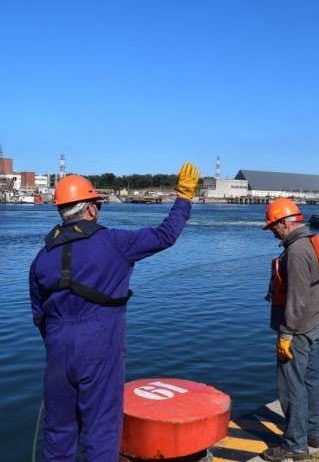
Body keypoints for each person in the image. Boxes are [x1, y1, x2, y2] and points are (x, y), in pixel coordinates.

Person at [29, 163, 200, 462]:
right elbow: (165, 235)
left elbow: (38, 315)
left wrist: (61, 341)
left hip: (57, 350)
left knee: (58, 433)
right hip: (98, 346)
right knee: (102, 429)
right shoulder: (114, 243)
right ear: (91, 210)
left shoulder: (40, 258)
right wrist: (183, 197)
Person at [261, 198, 319, 462]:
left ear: (284, 223)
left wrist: (286, 334)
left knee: (292, 387)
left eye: (274, 226)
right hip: (315, 323)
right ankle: (314, 434)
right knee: (311, 381)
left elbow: (297, 297)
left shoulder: (297, 252)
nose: (273, 231)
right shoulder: (311, 243)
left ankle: (295, 445)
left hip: (297, 330)